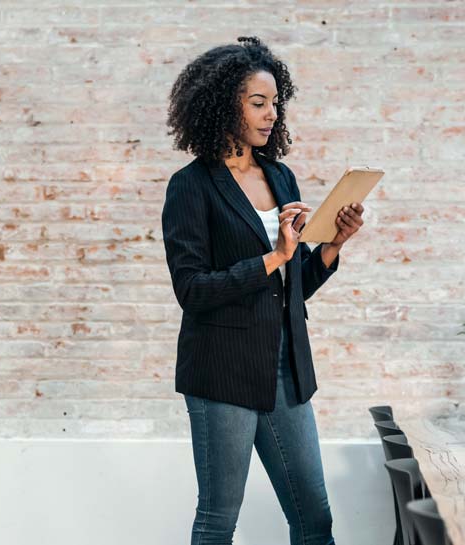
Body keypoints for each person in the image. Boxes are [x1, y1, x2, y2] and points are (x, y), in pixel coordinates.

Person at [161, 36, 365, 545]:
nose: (271, 114)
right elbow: (192, 290)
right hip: (222, 374)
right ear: (223, 104)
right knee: (217, 523)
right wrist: (274, 255)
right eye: (258, 103)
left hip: (286, 371)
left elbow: (290, 289)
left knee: (314, 521)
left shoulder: (281, 176)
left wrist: (331, 246)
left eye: (275, 103)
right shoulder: (191, 186)